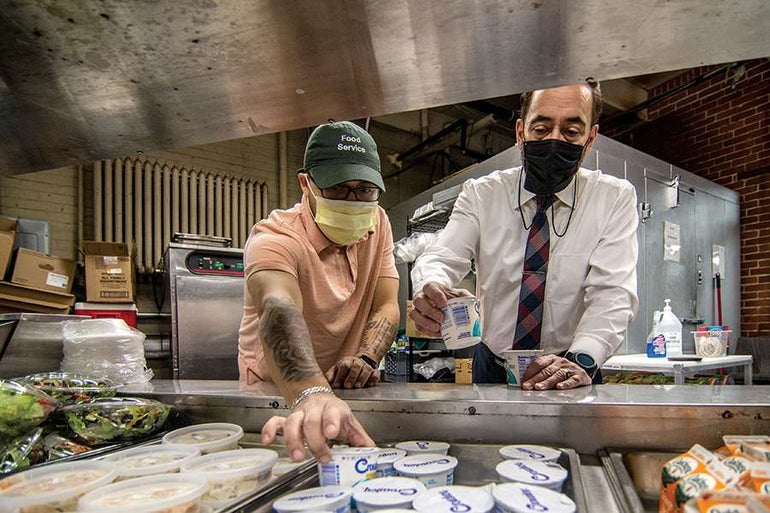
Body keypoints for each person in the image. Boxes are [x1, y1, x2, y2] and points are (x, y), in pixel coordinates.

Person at [409, 80, 639, 390]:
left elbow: (612, 294)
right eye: (541, 129)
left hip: (570, 366)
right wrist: (431, 288)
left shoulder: (613, 198)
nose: (554, 140)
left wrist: (584, 358)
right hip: (492, 366)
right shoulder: (482, 194)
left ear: (590, 138)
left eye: (571, 132)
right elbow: (441, 257)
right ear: (520, 132)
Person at [238, 121, 400, 462]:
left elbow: (386, 304)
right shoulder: (275, 238)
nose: (353, 201)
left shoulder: (378, 222)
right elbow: (277, 307)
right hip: (280, 395)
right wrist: (310, 392)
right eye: (339, 188)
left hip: (340, 394)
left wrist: (365, 358)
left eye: (365, 190)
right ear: (306, 183)